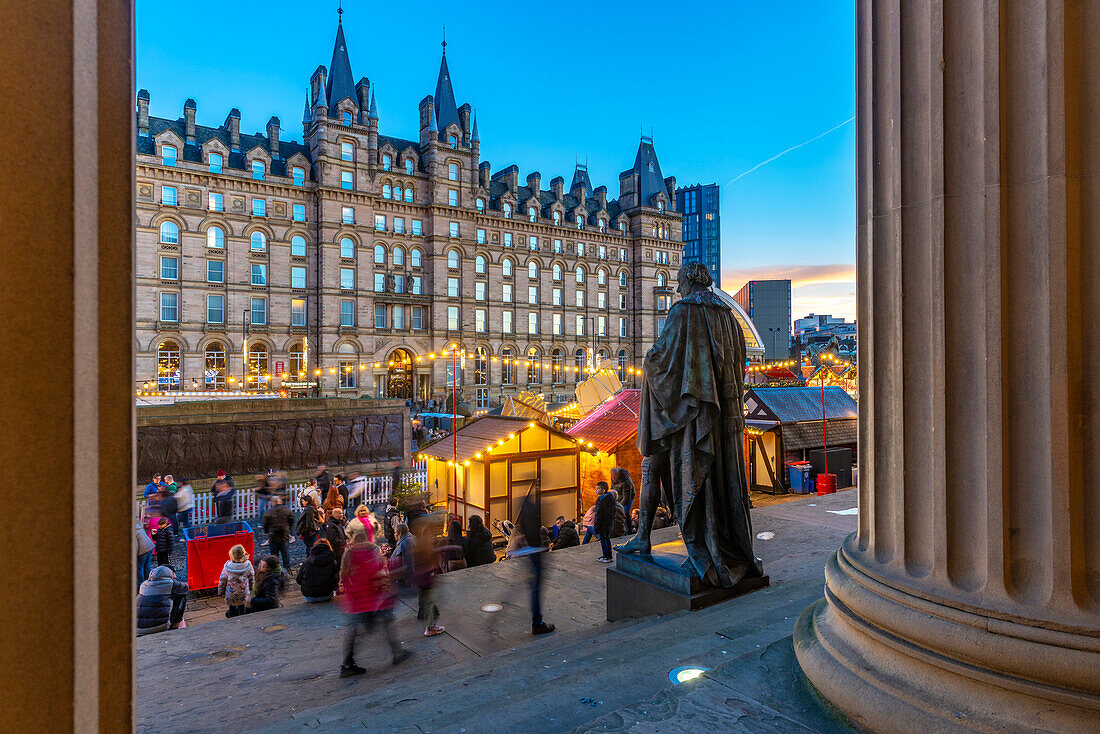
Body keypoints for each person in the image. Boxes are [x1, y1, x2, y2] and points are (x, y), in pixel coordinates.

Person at [617, 262, 763, 588]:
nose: (678, 289)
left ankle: (662, 543)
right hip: (720, 417)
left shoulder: (682, 312)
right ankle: (645, 538)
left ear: (686, 281)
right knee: (711, 479)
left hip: (688, 415)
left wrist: (649, 362)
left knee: (652, 463)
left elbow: (659, 360)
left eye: (679, 282)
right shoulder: (729, 316)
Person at [339, 527, 411, 677]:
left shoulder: (349, 554)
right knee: (388, 622)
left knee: (354, 632)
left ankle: (347, 664)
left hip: (357, 600)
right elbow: (379, 571)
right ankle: (397, 652)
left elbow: (344, 575)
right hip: (374, 597)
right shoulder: (373, 551)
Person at [517, 491, 555, 635]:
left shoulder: (525, 511)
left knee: (535, 588)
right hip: (536, 554)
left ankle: (537, 622)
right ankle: (537, 624)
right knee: (536, 589)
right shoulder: (532, 512)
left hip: (532, 552)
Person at [410, 518, 444, 637]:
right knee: (429, 602)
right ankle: (430, 627)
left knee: (425, 600)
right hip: (427, 576)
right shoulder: (426, 542)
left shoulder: (417, 542)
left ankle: (428, 623)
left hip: (419, 576)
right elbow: (432, 558)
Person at [136, 565, 187, 636]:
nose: (175, 576)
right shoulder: (171, 584)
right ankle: (177, 626)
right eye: (173, 573)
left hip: (137, 628)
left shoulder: (143, 585)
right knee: (181, 596)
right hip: (158, 627)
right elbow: (185, 588)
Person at [217, 544, 254, 618]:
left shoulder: (227, 567)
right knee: (242, 607)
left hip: (231, 594)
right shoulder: (248, 565)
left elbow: (222, 580)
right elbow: (252, 578)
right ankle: (242, 619)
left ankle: (232, 621)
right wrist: (251, 588)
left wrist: (220, 591)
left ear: (231, 555)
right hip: (243, 592)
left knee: (232, 608)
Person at [296, 538, 339, 603]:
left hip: (309, 596)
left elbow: (299, 580)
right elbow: (336, 582)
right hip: (326, 595)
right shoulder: (333, 562)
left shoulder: (307, 562)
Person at [262, 496, 294, 570]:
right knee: (285, 553)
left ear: (272, 503)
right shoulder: (287, 510)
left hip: (273, 536)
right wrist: (289, 529)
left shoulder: (269, 512)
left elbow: (265, 524)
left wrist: (267, 531)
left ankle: (275, 568)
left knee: (274, 554)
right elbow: (291, 520)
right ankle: (287, 567)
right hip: (284, 535)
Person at [594, 481, 615, 563]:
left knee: (603, 539)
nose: (596, 491)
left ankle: (606, 556)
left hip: (602, 524)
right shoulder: (611, 498)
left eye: (597, 489)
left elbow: (598, 515)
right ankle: (608, 555)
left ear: (603, 490)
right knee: (607, 538)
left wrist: (596, 526)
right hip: (609, 523)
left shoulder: (601, 500)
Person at [611, 467, 635, 532]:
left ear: (618, 474)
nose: (613, 478)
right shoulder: (614, 478)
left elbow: (626, 498)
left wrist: (619, 506)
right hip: (618, 497)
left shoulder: (626, 482)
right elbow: (612, 487)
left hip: (628, 497)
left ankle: (629, 530)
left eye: (614, 477)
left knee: (625, 513)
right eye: (612, 476)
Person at [136, 520, 155, 587]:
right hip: (150, 546)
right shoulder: (138, 526)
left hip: (143, 550)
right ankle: (149, 581)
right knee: (147, 565)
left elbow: (135, 545)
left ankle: (140, 584)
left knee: (139, 567)